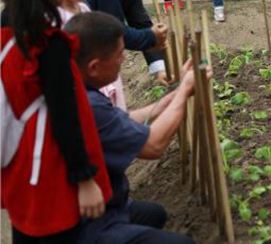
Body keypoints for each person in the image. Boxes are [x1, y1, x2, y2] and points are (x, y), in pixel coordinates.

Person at [1, 0, 111, 243]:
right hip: (51, 168)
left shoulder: (7, 31)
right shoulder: (49, 44)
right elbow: (66, 114)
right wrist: (85, 179)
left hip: (20, 166)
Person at [64, 12, 196, 244]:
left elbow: (125, 120)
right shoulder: (89, 104)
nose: (123, 60)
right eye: (119, 55)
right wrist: (184, 93)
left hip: (99, 204)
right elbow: (153, 145)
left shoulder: (75, 87)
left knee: (154, 214)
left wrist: (175, 93)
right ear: (94, 67)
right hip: (89, 224)